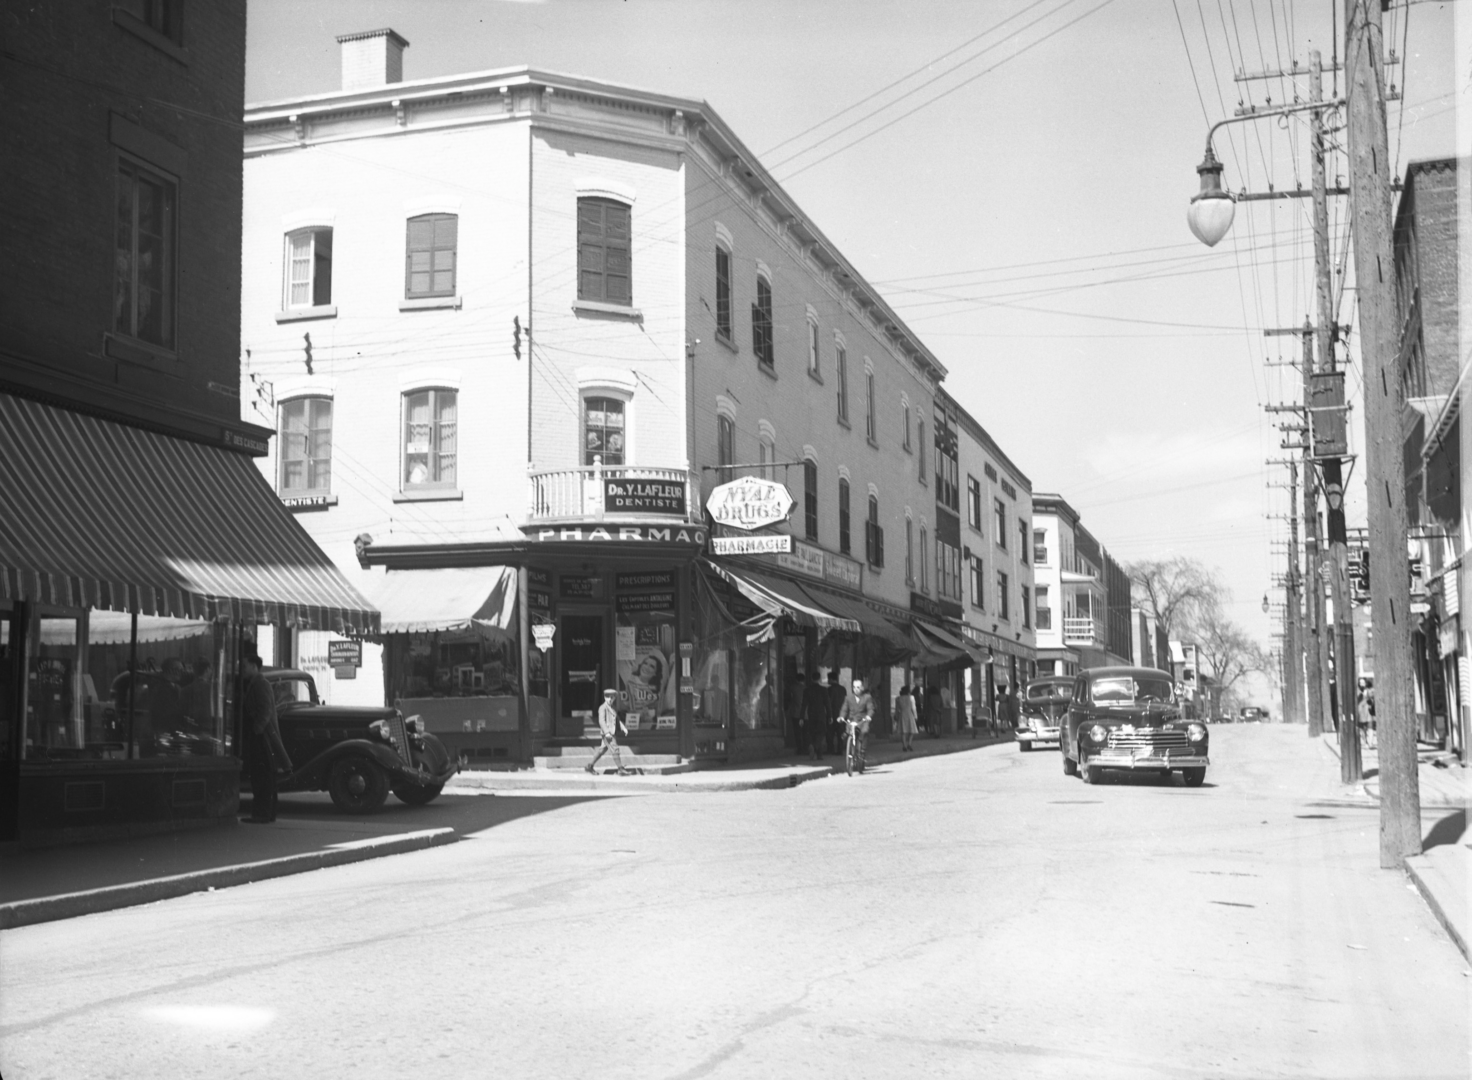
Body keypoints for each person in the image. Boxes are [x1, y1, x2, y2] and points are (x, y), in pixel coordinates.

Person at [241, 650, 291, 823]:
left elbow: (265, 710)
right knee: (265, 776)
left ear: (255, 667)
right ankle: (266, 813)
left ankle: (262, 813)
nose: (242, 668)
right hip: (263, 735)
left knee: (262, 776)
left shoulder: (260, 684)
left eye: (245, 665)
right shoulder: (256, 683)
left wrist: (257, 730)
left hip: (263, 737)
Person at [586, 688, 632, 775]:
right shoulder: (602, 708)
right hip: (608, 733)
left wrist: (623, 728)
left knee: (602, 750)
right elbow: (601, 721)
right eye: (608, 697)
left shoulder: (613, 708)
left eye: (612, 697)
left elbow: (617, 720)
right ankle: (620, 769)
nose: (610, 699)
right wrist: (606, 732)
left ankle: (589, 766)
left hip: (612, 732)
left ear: (614, 698)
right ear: (604, 698)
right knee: (615, 749)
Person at [841, 678, 875, 767]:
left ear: (862, 688)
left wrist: (868, 716)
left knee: (865, 732)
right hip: (852, 720)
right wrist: (841, 716)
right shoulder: (848, 698)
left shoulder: (867, 697)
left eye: (858, 687)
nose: (856, 689)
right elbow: (844, 709)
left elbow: (870, 708)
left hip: (863, 720)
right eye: (854, 687)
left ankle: (862, 752)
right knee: (848, 733)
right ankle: (850, 750)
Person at [802, 671, 830, 761]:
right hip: (821, 714)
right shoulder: (823, 690)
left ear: (811, 678)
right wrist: (830, 716)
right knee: (821, 733)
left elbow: (804, 704)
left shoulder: (807, 690)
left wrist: (801, 717)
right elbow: (827, 704)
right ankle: (815, 747)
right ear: (819, 679)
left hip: (811, 714)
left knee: (813, 733)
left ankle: (819, 754)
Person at [826, 669, 848, 755]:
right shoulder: (843, 689)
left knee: (830, 733)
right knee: (840, 733)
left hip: (832, 714)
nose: (828, 681)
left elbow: (829, 702)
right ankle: (840, 750)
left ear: (831, 679)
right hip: (842, 714)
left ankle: (830, 749)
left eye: (828, 679)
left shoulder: (829, 689)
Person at [786, 671, 808, 755]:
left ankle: (800, 749)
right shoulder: (807, 688)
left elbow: (789, 699)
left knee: (797, 732)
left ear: (796, 680)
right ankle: (806, 748)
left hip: (796, 713)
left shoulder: (793, 688)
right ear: (804, 680)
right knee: (805, 732)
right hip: (806, 714)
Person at [895, 684, 918, 752]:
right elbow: (914, 708)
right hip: (909, 714)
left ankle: (904, 745)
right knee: (912, 731)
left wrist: (896, 716)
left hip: (902, 714)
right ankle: (909, 744)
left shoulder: (898, 698)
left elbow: (897, 709)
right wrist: (915, 716)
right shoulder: (911, 697)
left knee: (903, 731)